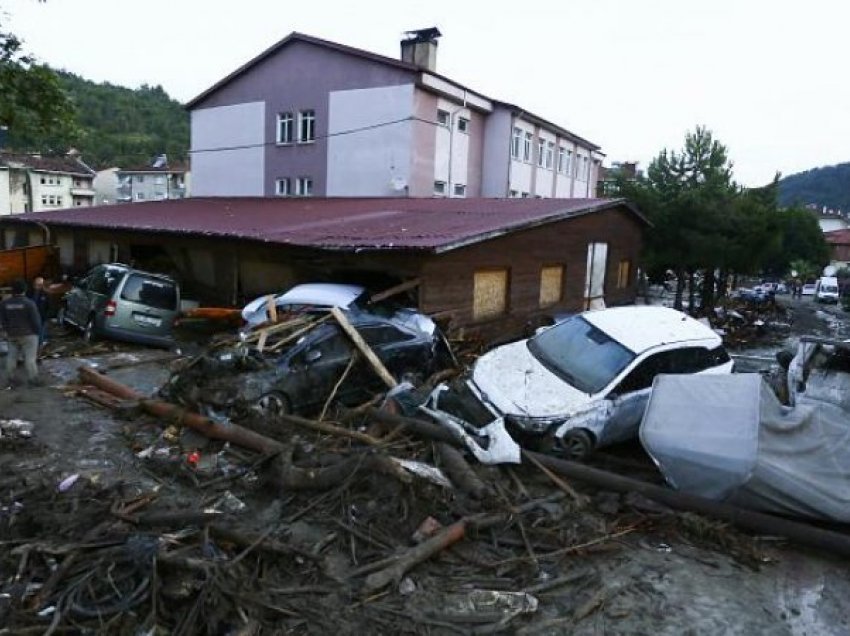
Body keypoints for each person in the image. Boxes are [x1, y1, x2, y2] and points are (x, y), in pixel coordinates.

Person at [0, 279, 43, 388]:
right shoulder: (29, 303)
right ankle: (33, 379)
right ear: (24, 290)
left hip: (12, 335)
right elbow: (36, 321)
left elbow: (3, 320)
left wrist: (6, 331)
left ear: (12, 290)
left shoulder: (4, 303)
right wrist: (38, 334)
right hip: (29, 335)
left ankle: (10, 378)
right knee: (29, 359)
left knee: (11, 357)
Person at [28, 276, 49, 347]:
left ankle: (39, 349)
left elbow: (49, 306)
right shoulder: (29, 293)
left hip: (41, 317)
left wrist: (46, 317)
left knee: (40, 335)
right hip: (30, 317)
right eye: (36, 284)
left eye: (39, 285)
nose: (37, 286)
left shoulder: (45, 294)